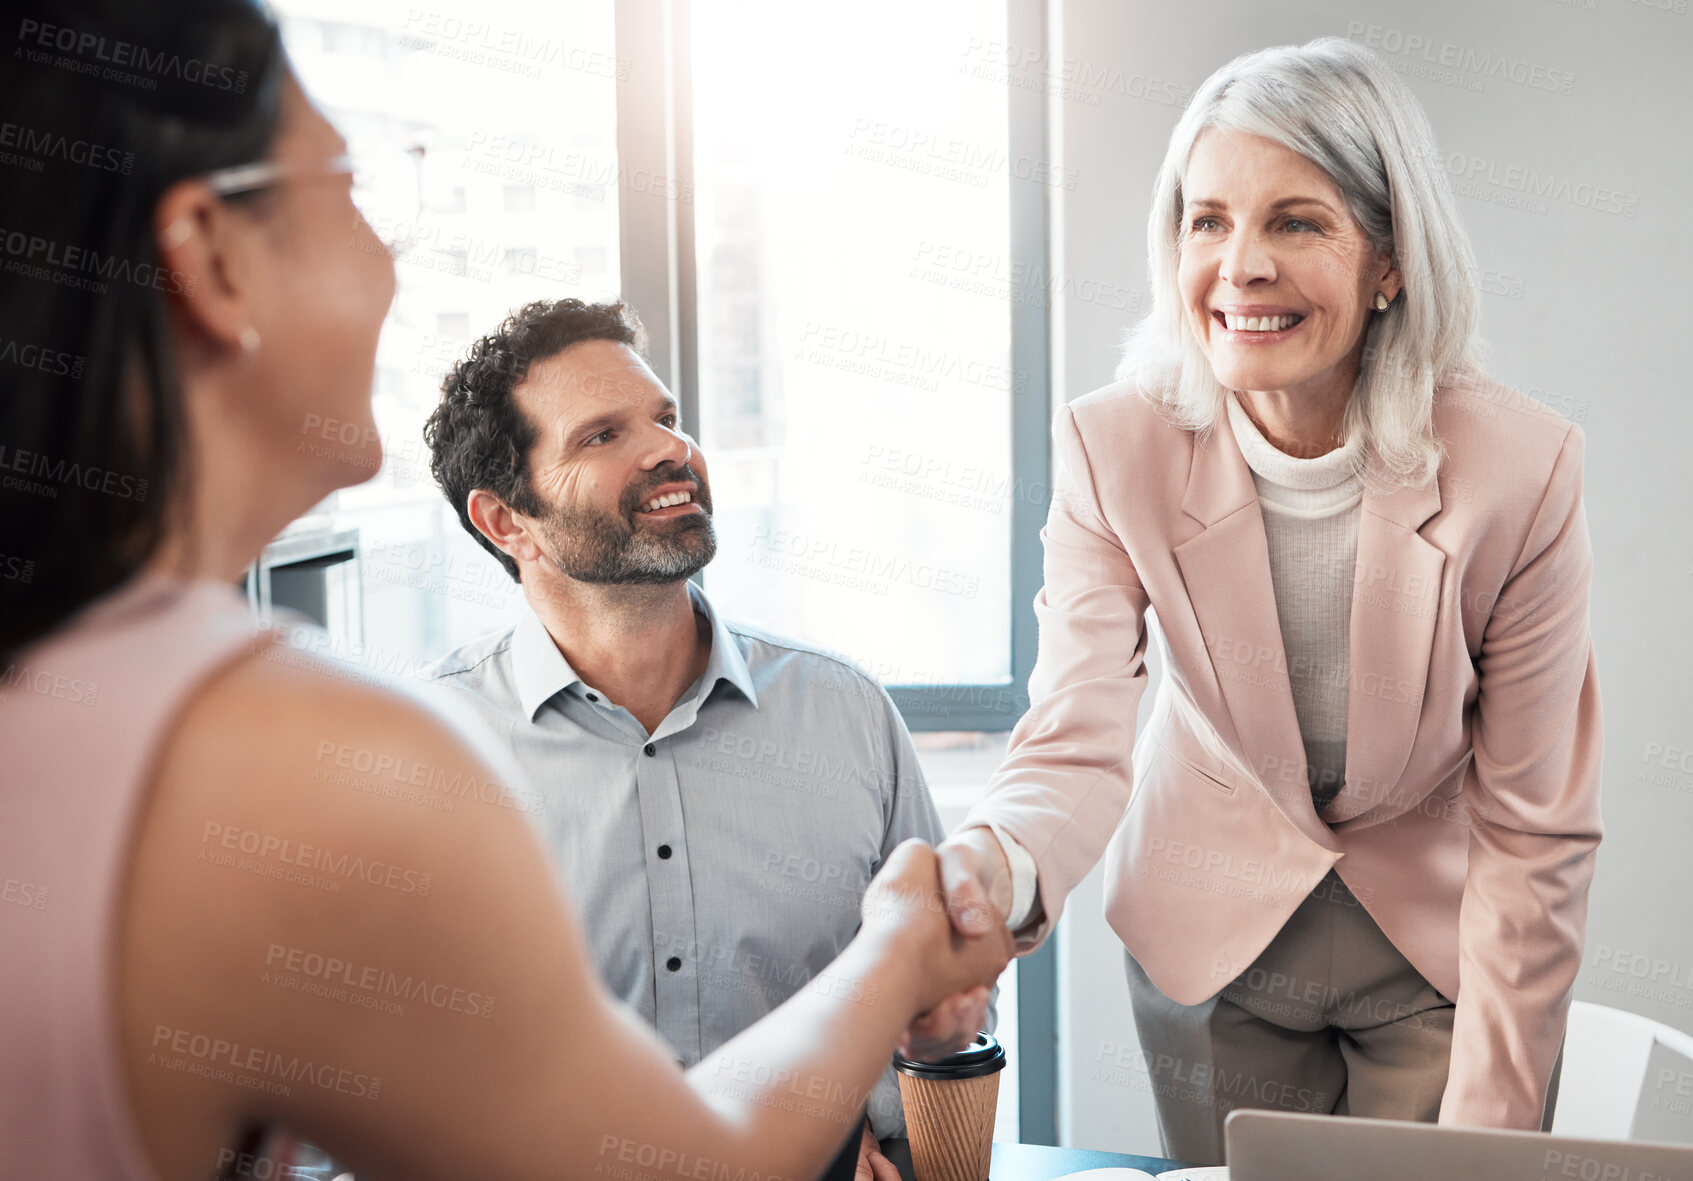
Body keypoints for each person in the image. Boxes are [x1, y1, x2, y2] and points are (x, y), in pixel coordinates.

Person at [0, 2, 1010, 1178]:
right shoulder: (301, 761)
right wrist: (893, 947)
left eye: (668, 419)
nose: (387, 256)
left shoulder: (76, 691)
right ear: (213, 262)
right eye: (350, 186)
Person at [931, 36, 1602, 1164]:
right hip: (1209, 932)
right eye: (1208, 220)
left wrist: (1494, 1142)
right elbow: (1075, 737)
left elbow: (1535, 826)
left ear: (1388, 259)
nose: (1239, 266)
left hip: (1439, 953)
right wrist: (993, 866)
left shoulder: (1520, 469)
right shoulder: (1114, 444)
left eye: (1296, 221)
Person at [419, 297, 980, 1175]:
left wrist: (888, 1112)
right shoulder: (426, 751)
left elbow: (943, 1010)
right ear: (504, 521)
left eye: (666, 419)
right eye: (600, 436)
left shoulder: (845, 715)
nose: (667, 449)